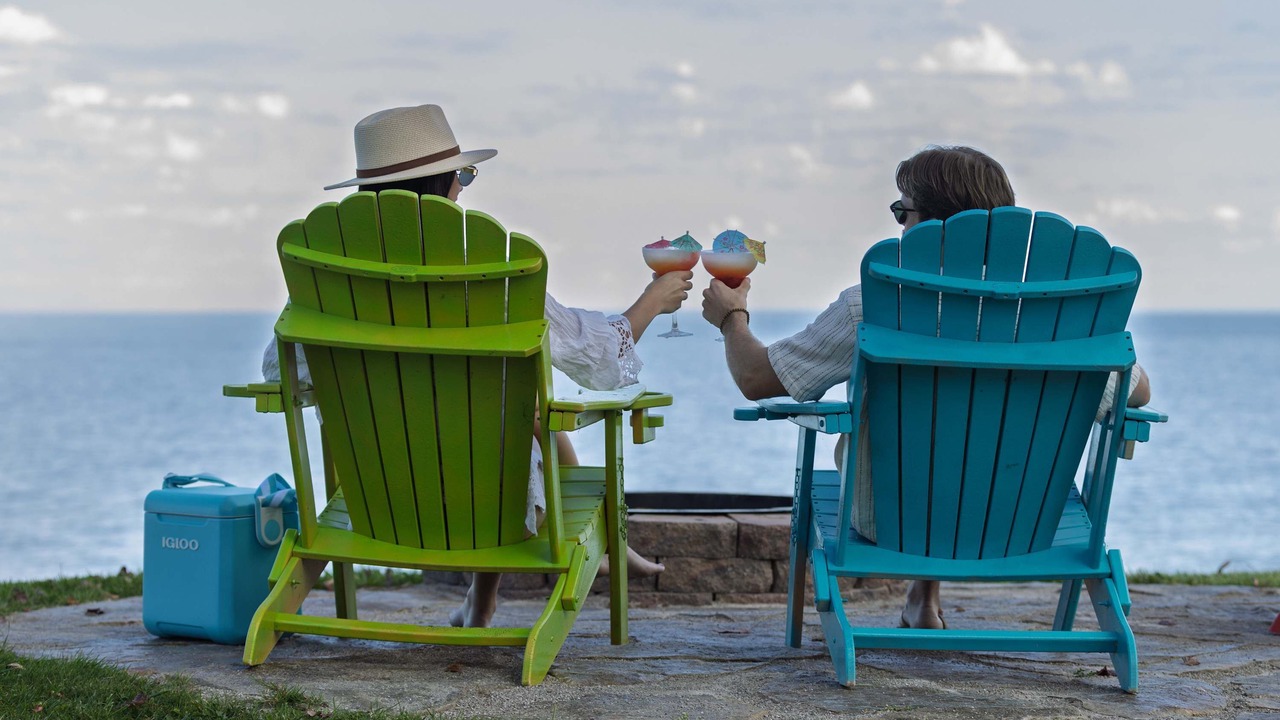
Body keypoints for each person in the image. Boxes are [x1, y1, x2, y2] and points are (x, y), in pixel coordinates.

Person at [263, 104, 690, 628]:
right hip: (486, 499)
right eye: (462, 176)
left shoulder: (330, 274)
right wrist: (652, 299)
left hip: (381, 499)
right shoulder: (489, 273)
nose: (464, 188)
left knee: (508, 408)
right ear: (441, 183)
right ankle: (604, 546)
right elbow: (596, 353)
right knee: (517, 417)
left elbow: (279, 374)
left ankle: (482, 602)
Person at [701, 145, 1151, 630]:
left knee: (926, 455)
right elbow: (1138, 393)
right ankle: (923, 597)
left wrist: (732, 317)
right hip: (1022, 522)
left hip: (890, 524)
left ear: (932, 225)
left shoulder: (873, 305)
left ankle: (919, 592)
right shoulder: (1056, 320)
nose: (899, 224)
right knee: (966, 443)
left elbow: (756, 378)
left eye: (902, 211)